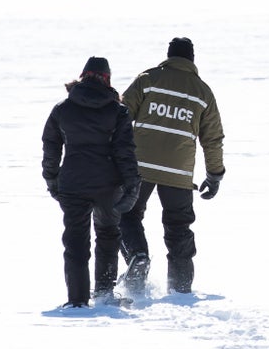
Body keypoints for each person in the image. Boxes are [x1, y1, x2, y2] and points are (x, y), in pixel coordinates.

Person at [119, 36, 225, 295]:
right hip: (178, 172)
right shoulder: (203, 92)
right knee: (179, 226)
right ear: (192, 59)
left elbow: (119, 117)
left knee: (126, 215)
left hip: (140, 166)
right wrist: (214, 175)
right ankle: (180, 288)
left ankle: (137, 256)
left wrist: (111, 158)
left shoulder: (148, 79)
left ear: (168, 56)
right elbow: (212, 138)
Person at [42, 56, 140, 309]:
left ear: (83, 76)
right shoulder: (118, 111)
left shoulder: (63, 109)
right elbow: (125, 152)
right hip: (108, 185)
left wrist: (52, 179)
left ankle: (76, 300)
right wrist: (132, 185)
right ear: (107, 79)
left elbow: (51, 147)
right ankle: (105, 294)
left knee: (75, 241)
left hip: (72, 183)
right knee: (107, 235)